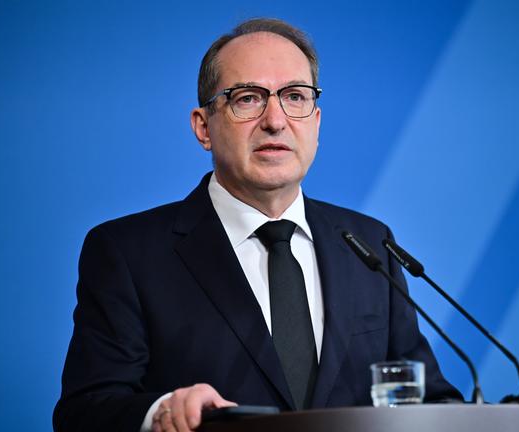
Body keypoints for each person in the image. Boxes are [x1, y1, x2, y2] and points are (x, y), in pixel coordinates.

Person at [53, 18, 462, 432]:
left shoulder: (369, 244)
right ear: (203, 127)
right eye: (248, 98)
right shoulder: (128, 253)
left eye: (295, 96)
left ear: (317, 122)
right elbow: (85, 412)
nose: (275, 120)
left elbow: (430, 400)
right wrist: (161, 412)